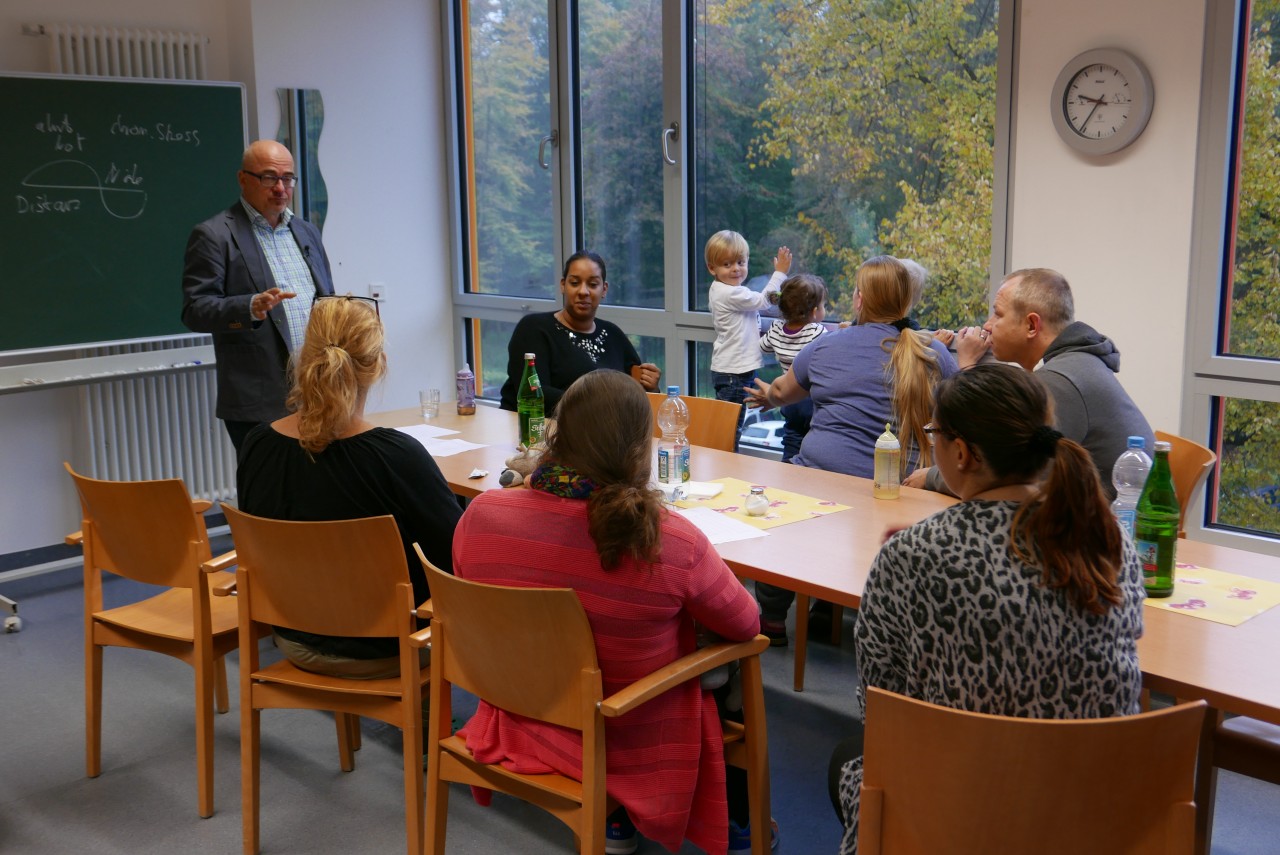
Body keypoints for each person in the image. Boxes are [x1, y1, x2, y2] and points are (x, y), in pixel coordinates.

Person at [828, 363, 1145, 854]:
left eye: (934, 433)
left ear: (962, 452)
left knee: (847, 759)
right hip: (1092, 806)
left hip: (960, 810)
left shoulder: (915, 552)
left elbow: (881, 711)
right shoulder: (1109, 540)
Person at [452, 370, 763, 855]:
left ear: (556, 435)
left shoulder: (481, 516)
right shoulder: (668, 538)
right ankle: (738, 824)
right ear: (642, 450)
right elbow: (747, 626)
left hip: (519, 707)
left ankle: (617, 820)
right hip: (625, 726)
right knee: (731, 657)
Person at [236, 294, 460, 677]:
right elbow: (457, 556)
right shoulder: (397, 456)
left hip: (293, 636)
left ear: (304, 358)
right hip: (392, 646)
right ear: (378, 365)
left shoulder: (257, 445)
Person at [747, 256, 958, 645]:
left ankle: (773, 620)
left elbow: (781, 392)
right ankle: (835, 604)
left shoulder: (828, 346)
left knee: (776, 513)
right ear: (907, 302)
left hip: (819, 485)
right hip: (898, 495)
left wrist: (769, 397)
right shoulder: (935, 354)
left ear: (859, 300)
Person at [907, 267, 1154, 497]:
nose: (987, 325)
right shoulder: (1076, 365)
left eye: (998, 314)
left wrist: (931, 477)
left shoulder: (1060, 381)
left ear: (1031, 325)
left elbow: (1005, 476)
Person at [181, 139, 335, 454]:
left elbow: (326, 298)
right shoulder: (215, 235)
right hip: (259, 400)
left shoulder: (306, 232)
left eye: (287, 178)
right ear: (243, 179)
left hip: (318, 391)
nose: (280, 187)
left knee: (321, 491)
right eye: (269, 177)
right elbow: (195, 310)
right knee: (270, 495)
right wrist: (250, 306)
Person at [499, 251, 660, 414]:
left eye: (593, 284)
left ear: (604, 290)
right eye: (575, 283)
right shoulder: (534, 328)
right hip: (536, 430)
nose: (583, 292)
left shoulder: (613, 334)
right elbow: (535, 393)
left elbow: (636, 394)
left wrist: (651, 386)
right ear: (563, 285)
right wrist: (599, 405)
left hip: (601, 432)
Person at [706, 230, 792, 436]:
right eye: (727, 265)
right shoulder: (730, 293)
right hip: (733, 373)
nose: (736, 269)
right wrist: (780, 272)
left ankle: (726, 461)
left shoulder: (720, 288)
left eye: (741, 263)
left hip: (731, 370)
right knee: (729, 430)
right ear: (712, 268)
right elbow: (763, 301)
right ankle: (726, 464)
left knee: (729, 427)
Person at [759, 273, 828, 463]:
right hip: (809, 397)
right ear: (815, 312)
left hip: (788, 398)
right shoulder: (816, 332)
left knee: (792, 436)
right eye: (824, 306)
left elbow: (763, 347)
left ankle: (789, 467)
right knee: (813, 437)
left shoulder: (775, 329)